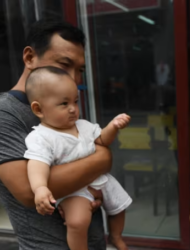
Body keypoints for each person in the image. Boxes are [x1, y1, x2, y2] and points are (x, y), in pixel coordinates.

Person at [0, 19, 110, 250]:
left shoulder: (63, 104)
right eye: (64, 64)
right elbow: (29, 192)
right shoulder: (6, 114)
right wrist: (100, 160)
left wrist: (88, 184)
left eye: (79, 70)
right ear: (30, 57)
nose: (74, 79)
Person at [24, 66, 132, 250]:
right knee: (77, 222)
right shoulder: (41, 137)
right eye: (64, 104)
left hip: (102, 180)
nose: (73, 109)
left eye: (75, 101)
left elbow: (102, 140)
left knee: (119, 206)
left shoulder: (83, 125)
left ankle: (115, 236)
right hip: (74, 190)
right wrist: (40, 187)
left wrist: (113, 127)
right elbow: (37, 164)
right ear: (39, 109)